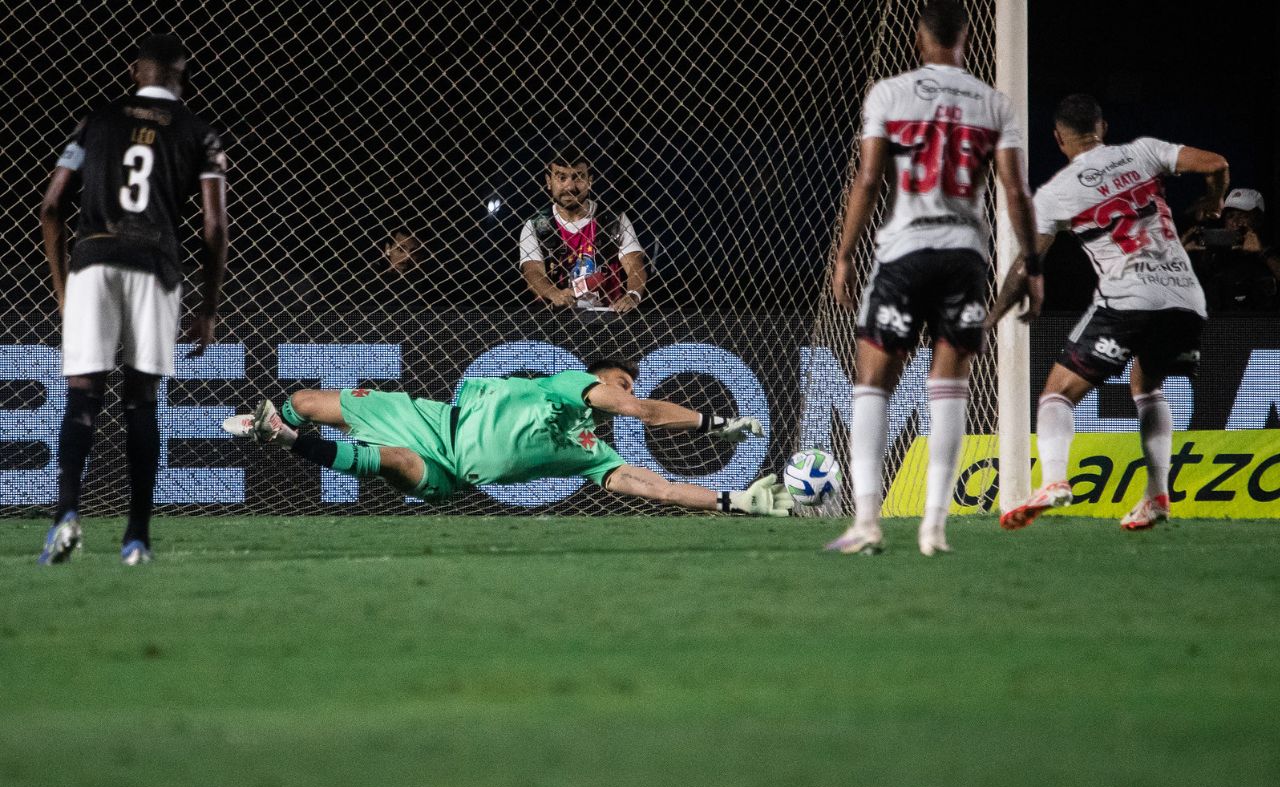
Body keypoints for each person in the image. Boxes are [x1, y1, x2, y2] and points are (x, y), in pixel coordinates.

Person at [825, 0, 1042, 557]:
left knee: (872, 381)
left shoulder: (889, 94)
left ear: (920, 36)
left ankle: (868, 520)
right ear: (967, 36)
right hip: (966, 257)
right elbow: (1016, 193)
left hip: (905, 253)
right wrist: (1032, 266)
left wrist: (845, 255)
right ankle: (934, 527)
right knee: (950, 386)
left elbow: (869, 179)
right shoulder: (995, 103)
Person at [990, 93, 1229, 532]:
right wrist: (1214, 203)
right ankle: (1157, 495)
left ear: (1059, 139)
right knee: (1147, 384)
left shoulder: (1056, 193)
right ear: (1102, 126)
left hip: (1127, 300)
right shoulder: (1144, 152)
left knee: (1058, 391)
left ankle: (1055, 481)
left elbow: (1029, 264)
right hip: (1186, 299)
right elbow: (1216, 163)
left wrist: (994, 314)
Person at [37, 33, 228, 565]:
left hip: (93, 261)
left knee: (83, 395)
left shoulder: (95, 121)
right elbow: (214, 228)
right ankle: (137, 538)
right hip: (155, 263)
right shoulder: (201, 133)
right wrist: (209, 308)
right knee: (141, 400)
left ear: (134, 71)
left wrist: (63, 290)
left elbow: (52, 206)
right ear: (180, 74)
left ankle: (66, 518)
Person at [221, 357, 792, 517]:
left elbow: (658, 489)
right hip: (430, 418)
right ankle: (276, 428)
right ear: (597, 378)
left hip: (450, 475)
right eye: (619, 381)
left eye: (622, 387)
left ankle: (286, 440)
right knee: (303, 403)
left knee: (393, 461)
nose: (622, 394)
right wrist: (714, 423)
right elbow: (643, 410)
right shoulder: (572, 384)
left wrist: (734, 499)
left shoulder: (596, 454)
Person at [518, 149, 648, 314]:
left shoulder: (613, 219)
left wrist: (633, 294)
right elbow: (533, 272)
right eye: (561, 177)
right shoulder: (536, 226)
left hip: (610, 320)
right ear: (549, 181)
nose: (570, 186)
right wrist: (554, 294)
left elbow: (635, 265)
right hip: (556, 322)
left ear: (590, 181)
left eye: (578, 177)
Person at [1182, 188, 1279, 312]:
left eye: (1243, 216)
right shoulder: (1212, 254)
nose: (1235, 222)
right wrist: (1180, 253)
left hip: (1262, 327)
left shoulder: (1272, 251)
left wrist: (1263, 252)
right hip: (1221, 327)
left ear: (1258, 219)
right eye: (1231, 216)